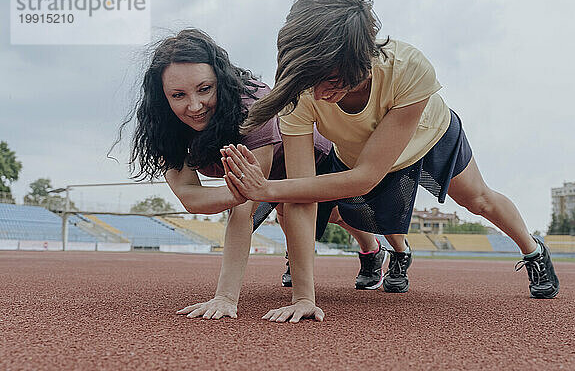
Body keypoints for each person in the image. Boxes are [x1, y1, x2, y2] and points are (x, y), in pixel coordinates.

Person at [221, 0, 560, 323]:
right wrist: (304, 298)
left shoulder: (409, 68)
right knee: (358, 212)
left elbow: (366, 178)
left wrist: (266, 189)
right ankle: (395, 252)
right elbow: (301, 196)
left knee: (477, 199)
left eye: (332, 80)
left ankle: (533, 251)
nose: (319, 92)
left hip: (428, 136)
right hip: (358, 151)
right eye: (310, 78)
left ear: (361, 60)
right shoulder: (300, 89)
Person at [116, 28, 381, 320]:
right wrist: (236, 190)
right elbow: (190, 196)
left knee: (328, 213)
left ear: (221, 80)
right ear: (162, 97)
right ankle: (351, 249)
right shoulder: (162, 124)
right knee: (285, 212)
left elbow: (244, 209)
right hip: (258, 179)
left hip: (313, 158)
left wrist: (226, 297)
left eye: (205, 89)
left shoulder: (251, 103)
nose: (193, 106)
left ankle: (371, 247)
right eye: (178, 95)